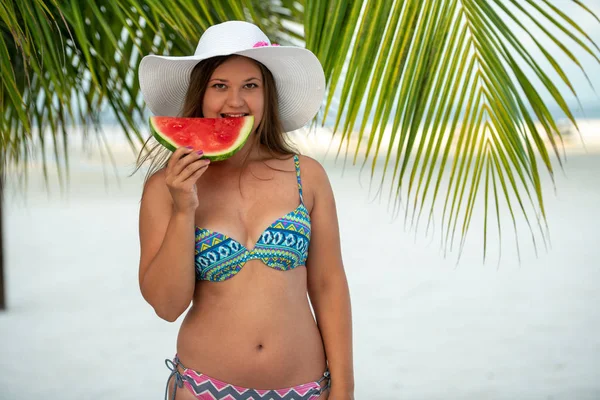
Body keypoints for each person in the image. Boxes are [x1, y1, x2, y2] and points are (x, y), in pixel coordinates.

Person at [136, 21, 354, 400]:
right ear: (200, 95)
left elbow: (329, 286)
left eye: (250, 86)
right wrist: (183, 209)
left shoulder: (308, 176)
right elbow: (167, 306)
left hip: (305, 390)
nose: (235, 101)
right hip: (203, 388)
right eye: (220, 85)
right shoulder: (164, 188)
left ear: (267, 95)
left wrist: (345, 388)